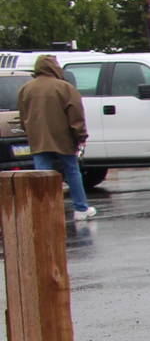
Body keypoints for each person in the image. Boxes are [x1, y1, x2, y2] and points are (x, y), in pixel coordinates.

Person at [17, 54, 94, 220]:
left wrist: (30, 131)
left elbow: (23, 116)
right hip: (63, 138)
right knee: (72, 171)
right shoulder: (65, 88)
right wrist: (80, 135)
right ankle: (81, 208)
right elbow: (76, 114)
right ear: (55, 67)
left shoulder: (26, 89)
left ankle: (43, 210)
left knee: (42, 175)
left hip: (38, 139)